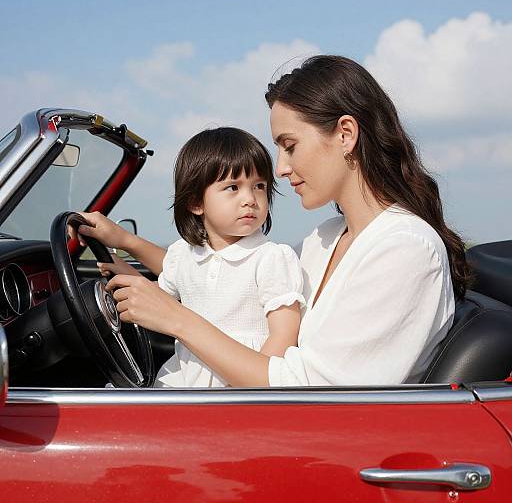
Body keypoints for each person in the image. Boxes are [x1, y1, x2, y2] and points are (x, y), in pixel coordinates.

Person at [101, 55, 470, 387]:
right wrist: (121, 250)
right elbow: (231, 279)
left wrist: (177, 320)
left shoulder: (404, 247)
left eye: (289, 146)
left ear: (345, 134)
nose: (281, 168)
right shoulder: (325, 238)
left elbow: (313, 391)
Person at [77, 127, 304, 387]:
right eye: (233, 187)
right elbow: (159, 298)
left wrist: (254, 394)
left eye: (259, 186)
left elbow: (284, 337)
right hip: (186, 379)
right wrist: (123, 270)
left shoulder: (271, 258)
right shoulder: (187, 254)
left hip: (241, 384)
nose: (250, 199)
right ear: (196, 203)